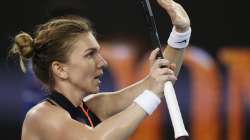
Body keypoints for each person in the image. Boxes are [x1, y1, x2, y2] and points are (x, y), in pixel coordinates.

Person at [10, 0, 191, 139]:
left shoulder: (93, 107)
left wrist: (180, 33)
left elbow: (161, 82)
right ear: (60, 69)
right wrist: (151, 94)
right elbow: (95, 138)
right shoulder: (40, 117)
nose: (103, 62)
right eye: (90, 54)